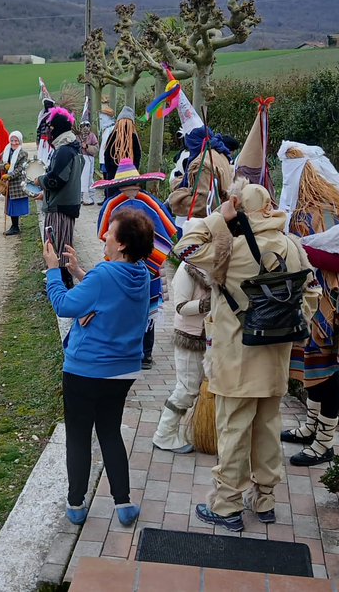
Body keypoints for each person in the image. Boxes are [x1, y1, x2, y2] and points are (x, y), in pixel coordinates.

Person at [173, 181, 319, 531]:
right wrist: (289, 328)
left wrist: (219, 219)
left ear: (237, 206)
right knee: (267, 430)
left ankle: (227, 506)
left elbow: (185, 249)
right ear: (269, 208)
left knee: (234, 432)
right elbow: (310, 294)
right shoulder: (292, 245)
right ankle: (265, 499)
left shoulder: (230, 249)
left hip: (236, 360)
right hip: (274, 359)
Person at [44, 207, 153, 528]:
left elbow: (64, 306)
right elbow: (106, 296)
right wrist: (80, 273)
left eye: (110, 231)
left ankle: (76, 505)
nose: (104, 236)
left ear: (122, 244)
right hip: (122, 373)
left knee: (78, 437)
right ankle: (124, 504)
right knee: (109, 432)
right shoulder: (142, 273)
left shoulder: (104, 276)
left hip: (86, 371)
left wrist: (54, 270)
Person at [277, 141, 339, 466]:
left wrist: (295, 244)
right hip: (314, 301)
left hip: (328, 306)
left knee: (324, 370)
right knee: (310, 367)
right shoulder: (312, 209)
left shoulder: (323, 212)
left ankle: (325, 443)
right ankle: (311, 427)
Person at [92, 158, 178, 366]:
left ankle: (126, 349)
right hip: (150, 261)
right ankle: (146, 354)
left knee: (123, 304)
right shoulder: (150, 202)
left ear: (119, 183)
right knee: (147, 306)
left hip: (121, 263)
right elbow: (168, 228)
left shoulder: (112, 204)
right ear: (138, 182)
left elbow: (102, 233)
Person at [152, 259, 210, 453]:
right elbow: (181, 306)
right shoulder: (188, 268)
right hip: (190, 337)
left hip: (210, 338)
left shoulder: (216, 265)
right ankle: (164, 434)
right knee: (187, 389)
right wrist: (209, 303)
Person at [33, 107, 85, 289]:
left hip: (60, 208)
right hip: (65, 205)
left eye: (51, 128)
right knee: (63, 244)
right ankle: (64, 282)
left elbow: (56, 180)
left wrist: (40, 181)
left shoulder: (64, 151)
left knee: (58, 247)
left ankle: (63, 285)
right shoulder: (73, 148)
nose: (49, 132)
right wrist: (45, 195)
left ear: (58, 129)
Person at [166, 125, 235, 227]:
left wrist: (174, 199)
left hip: (203, 225)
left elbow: (204, 202)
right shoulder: (218, 154)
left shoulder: (203, 164)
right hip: (218, 219)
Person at [101, 107, 143, 201]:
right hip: (130, 178)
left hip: (113, 178)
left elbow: (106, 157)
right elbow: (137, 158)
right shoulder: (133, 137)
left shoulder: (112, 136)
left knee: (113, 202)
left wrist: (110, 172)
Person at [0, 130, 31, 236]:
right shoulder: (6, 151)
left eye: (16, 140)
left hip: (17, 184)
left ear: (20, 141)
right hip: (9, 184)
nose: (13, 143)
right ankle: (14, 226)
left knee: (16, 205)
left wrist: (10, 175)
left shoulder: (23, 153)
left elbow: (19, 169)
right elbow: (2, 163)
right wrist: (4, 166)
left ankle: (15, 227)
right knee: (10, 205)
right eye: (12, 140)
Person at [77, 109, 100, 206]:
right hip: (80, 158)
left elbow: (96, 148)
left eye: (87, 125)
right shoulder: (78, 136)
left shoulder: (92, 136)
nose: (85, 128)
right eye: (83, 126)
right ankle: (83, 197)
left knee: (89, 178)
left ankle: (89, 196)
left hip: (89, 158)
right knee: (82, 178)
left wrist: (87, 147)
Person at [35, 97, 56, 166]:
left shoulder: (55, 115)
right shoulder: (41, 115)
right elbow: (39, 129)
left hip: (51, 141)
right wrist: (38, 141)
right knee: (40, 159)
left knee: (49, 158)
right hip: (42, 140)